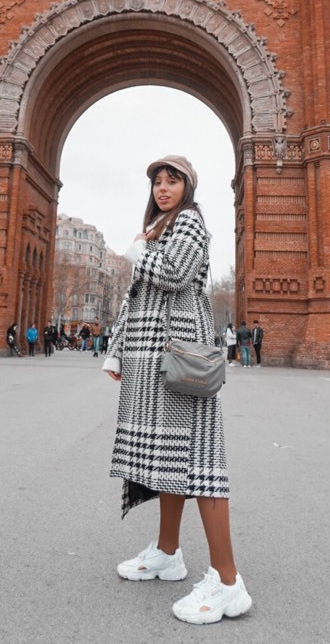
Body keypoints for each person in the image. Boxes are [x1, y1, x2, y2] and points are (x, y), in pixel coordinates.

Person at [103, 154, 251, 625]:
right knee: (167, 460)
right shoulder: (156, 229)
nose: (163, 188)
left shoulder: (188, 222)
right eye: (157, 183)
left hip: (179, 358)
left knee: (200, 463)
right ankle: (168, 553)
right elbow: (135, 298)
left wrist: (137, 251)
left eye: (172, 181)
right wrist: (117, 350)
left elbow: (174, 275)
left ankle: (228, 583)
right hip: (153, 359)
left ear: (188, 186)